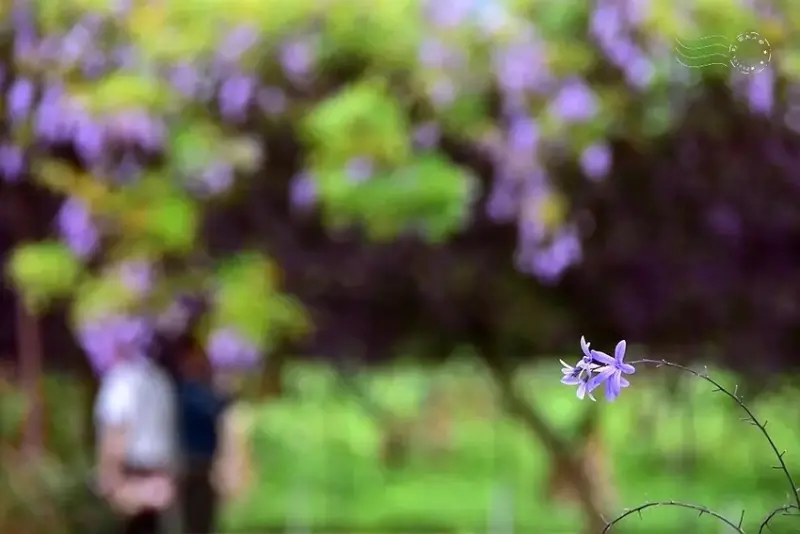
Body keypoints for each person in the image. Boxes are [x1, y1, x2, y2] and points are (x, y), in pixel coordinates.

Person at [93, 341, 179, 534]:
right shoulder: (159, 378)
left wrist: (109, 477)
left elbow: (116, 429)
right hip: (159, 477)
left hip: (130, 476)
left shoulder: (120, 379)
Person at [169, 333, 231, 534]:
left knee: (202, 517)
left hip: (200, 462)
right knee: (196, 517)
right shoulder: (188, 391)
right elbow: (216, 410)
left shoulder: (192, 389)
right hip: (194, 462)